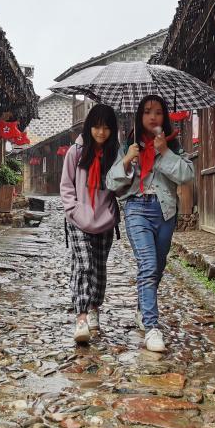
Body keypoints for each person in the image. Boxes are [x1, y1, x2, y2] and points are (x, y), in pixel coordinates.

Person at [107, 94, 193, 352]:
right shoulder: (129, 145)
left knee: (158, 266)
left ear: (164, 116)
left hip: (165, 212)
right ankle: (152, 327)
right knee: (148, 264)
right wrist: (126, 160)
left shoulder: (173, 145)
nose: (152, 116)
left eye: (157, 112)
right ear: (139, 116)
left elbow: (186, 175)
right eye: (147, 111)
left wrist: (164, 152)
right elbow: (111, 183)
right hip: (137, 209)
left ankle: (142, 308)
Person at [59, 103, 120, 344]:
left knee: (99, 268)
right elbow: (66, 185)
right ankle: (82, 317)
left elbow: (120, 187)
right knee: (83, 265)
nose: (101, 132)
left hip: (105, 219)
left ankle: (94, 307)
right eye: (96, 127)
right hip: (78, 219)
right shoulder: (76, 152)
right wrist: (72, 210)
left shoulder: (116, 154)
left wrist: (128, 162)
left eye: (106, 127)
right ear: (89, 127)